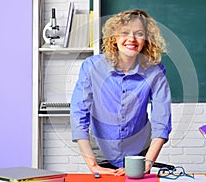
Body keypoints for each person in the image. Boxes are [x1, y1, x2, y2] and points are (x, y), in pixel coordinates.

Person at [70, 9, 172, 176]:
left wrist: (147, 162)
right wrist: (93, 165)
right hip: (101, 151)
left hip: (140, 152)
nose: (131, 39)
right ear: (114, 38)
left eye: (139, 33)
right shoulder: (92, 67)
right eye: (125, 32)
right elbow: (78, 114)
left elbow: (162, 119)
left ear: (146, 40)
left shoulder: (155, 71)